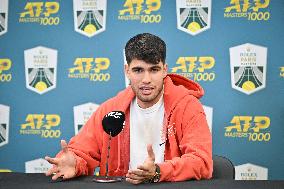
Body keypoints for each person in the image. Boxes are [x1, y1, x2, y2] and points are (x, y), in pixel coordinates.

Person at [45, 33, 213, 184]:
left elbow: (201, 162)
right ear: (127, 71)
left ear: (164, 70)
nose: (146, 79)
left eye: (154, 70)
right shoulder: (111, 109)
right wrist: (73, 162)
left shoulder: (187, 107)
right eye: (138, 70)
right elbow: (81, 151)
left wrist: (158, 172)